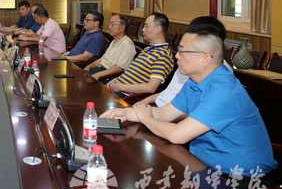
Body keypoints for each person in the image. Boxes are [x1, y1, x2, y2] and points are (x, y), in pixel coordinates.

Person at [100, 24, 277, 180]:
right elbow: (165, 113)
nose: (177, 56)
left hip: (240, 178)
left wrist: (145, 118)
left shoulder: (224, 91)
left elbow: (178, 135)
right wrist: (128, 112)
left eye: (183, 51)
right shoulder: (194, 81)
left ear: (205, 59)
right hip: (200, 165)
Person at [136, 16, 233, 107]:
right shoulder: (187, 62)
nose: (177, 56)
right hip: (161, 108)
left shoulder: (219, 75)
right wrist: (147, 101)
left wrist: (151, 114)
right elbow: (169, 92)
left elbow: (190, 110)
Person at [105, 13, 174, 96]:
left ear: (158, 29)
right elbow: (132, 72)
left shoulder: (163, 55)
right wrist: (116, 80)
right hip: (117, 88)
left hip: (125, 96)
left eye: (146, 27)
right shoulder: (148, 48)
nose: (143, 30)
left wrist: (120, 87)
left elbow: (151, 88)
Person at [84, 14, 135, 79]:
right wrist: (89, 66)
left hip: (108, 76)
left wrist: (98, 75)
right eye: (109, 24)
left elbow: (120, 68)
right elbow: (102, 59)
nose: (109, 27)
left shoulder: (127, 44)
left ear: (122, 28)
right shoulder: (114, 41)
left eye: (112, 24)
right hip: (99, 70)